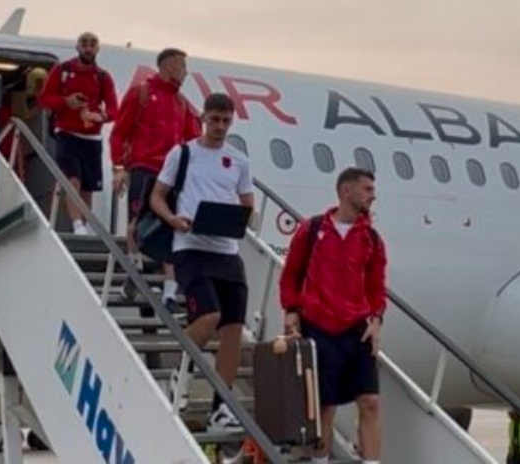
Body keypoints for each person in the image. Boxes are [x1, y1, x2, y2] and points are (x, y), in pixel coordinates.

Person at [148, 92, 254, 433]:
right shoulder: (183, 153)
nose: (220, 126)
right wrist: (173, 219)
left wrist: (241, 220)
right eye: (214, 120)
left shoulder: (239, 161)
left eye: (225, 121)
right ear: (203, 118)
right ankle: (181, 370)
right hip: (190, 246)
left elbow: (248, 203)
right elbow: (156, 197)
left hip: (227, 251)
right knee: (209, 316)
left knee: (233, 331)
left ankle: (221, 406)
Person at [279, 167, 387, 464]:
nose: (373, 196)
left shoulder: (371, 238)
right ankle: (320, 460)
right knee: (324, 407)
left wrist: (377, 319)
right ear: (345, 191)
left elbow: (376, 286)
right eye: (367, 189)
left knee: (370, 401)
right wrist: (291, 310)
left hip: (357, 328)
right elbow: (291, 275)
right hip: (319, 326)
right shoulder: (311, 230)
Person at [110, 47, 201, 309]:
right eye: (182, 66)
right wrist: (119, 167)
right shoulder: (141, 93)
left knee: (171, 227)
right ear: (168, 66)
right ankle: (134, 269)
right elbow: (119, 132)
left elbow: (192, 142)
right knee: (136, 224)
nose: (185, 72)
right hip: (143, 167)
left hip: (170, 174)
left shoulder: (182, 103)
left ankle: (169, 292)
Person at [38, 32, 118, 235]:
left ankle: (84, 222)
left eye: (92, 44)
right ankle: (77, 224)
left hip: (92, 137)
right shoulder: (62, 70)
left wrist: (100, 116)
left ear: (98, 49)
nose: (88, 48)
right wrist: (66, 101)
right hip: (67, 133)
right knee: (72, 179)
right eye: (84, 44)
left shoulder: (103, 77)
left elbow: (114, 109)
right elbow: (44, 99)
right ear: (77, 47)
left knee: (88, 187)